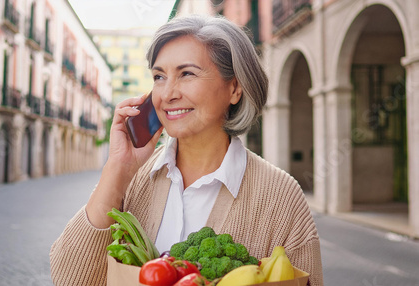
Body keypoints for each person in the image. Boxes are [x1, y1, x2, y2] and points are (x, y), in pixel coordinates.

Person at [50, 15, 323, 286]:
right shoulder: (132, 179)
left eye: (187, 74)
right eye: (159, 76)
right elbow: (69, 279)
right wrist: (118, 169)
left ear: (235, 88)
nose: (167, 94)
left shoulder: (281, 197)